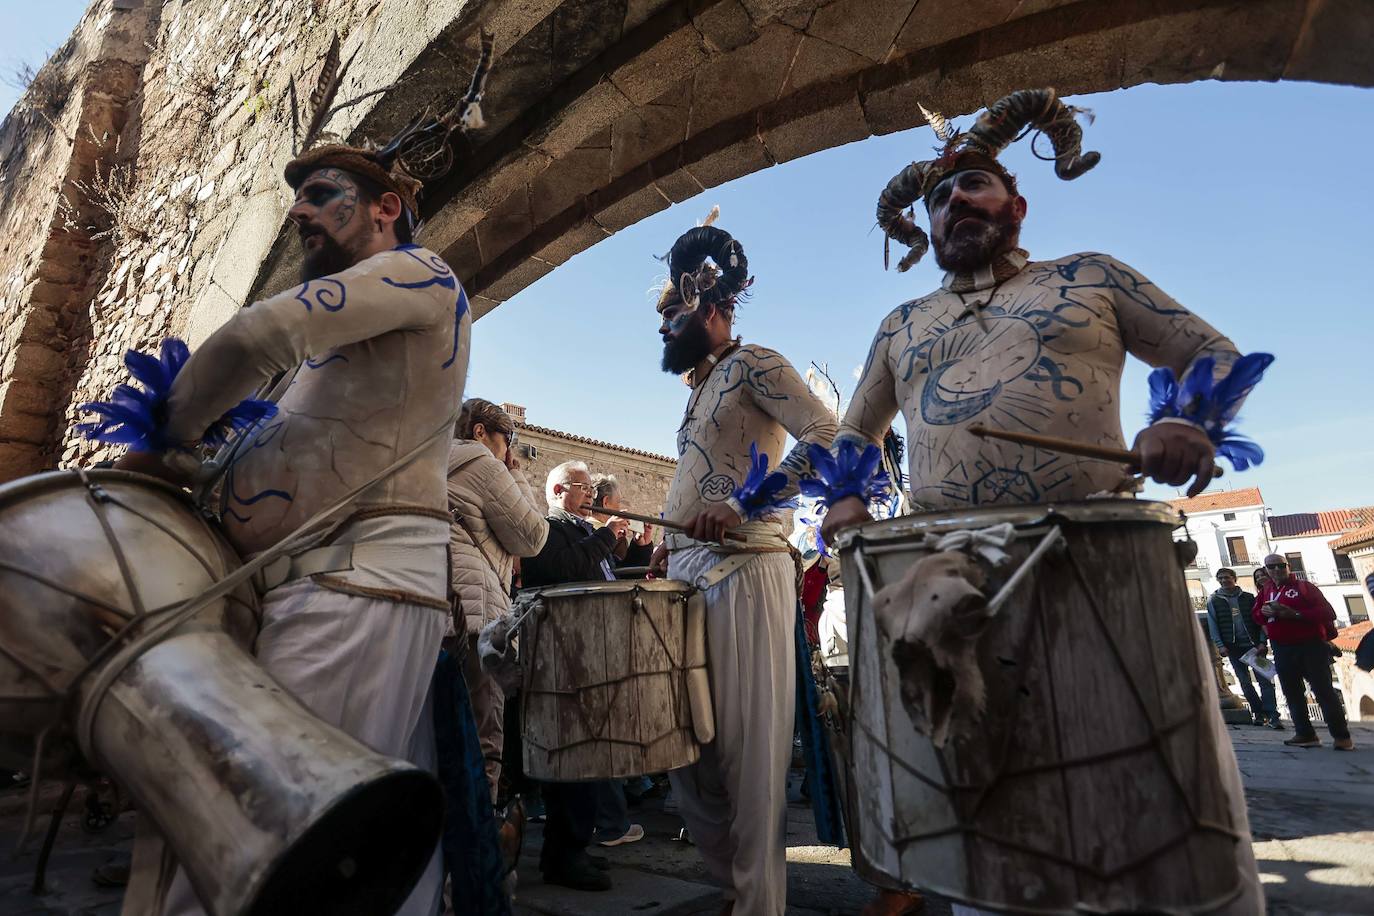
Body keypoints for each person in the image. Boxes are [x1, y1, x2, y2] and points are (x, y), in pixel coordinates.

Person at [817, 89, 1266, 915]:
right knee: (985, 836)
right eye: (940, 198)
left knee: (1132, 813)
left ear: (1017, 203)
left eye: (975, 186)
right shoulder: (901, 323)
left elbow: (1211, 349)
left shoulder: (1090, 277)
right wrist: (845, 498)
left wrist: (1180, 420)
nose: (956, 202)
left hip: (1091, 567)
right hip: (953, 586)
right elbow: (854, 432)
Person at [91, 140, 472, 914]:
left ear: (385, 208)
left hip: (353, 592)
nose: (297, 209)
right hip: (319, 592)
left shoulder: (421, 273)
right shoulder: (329, 362)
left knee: (263, 843)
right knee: (318, 857)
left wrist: (166, 441)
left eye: (319, 193)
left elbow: (250, 337)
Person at [646, 222, 837, 915]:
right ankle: (736, 894)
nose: (663, 330)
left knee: (748, 764)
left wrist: (748, 504)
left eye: (671, 316)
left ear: (711, 308)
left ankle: (760, 906)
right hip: (689, 577)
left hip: (748, 570)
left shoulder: (756, 361)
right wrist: (672, 543)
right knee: (687, 761)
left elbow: (826, 435)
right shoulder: (695, 393)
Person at [521, 460, 635, 890]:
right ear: (556, 490)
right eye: (581, 488)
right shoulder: (548, 526)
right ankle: (563, 855)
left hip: (591, 649)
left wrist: (616, 545)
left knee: (590, 754)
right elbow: (563, 571)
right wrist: (607, 534)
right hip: (565, 652)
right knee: (571, 755)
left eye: (590, 488)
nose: (589, 495)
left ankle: (575, 848)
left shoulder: (584, 529)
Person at [447, 398, 549, 802]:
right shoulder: (482, 463)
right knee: (482, 739)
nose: (510, 450)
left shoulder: (429, 461)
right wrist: (515, 476)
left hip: (426, 614)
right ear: (480, 433)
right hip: (475, 618)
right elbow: (533, 537)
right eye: (508, 440)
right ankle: (477, 852)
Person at [1254, 554, 1354, 750]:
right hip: (1281, 648)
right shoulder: (1266, 591)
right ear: (1266, 569)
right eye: (1271, 566)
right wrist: (1263, 614)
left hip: (1311, 646)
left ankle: (1341, 736)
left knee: (1323, 691)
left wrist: (1295, 614)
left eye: (1280, 566)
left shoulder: (1305, 588)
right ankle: (1305, 734)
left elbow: (1328, 613)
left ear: (1288, 567)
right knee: (1292, 692)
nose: (1276, 570)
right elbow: (1256, 615)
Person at [1207, 568, 1280, 728]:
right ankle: (1259, 713)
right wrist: (1220, 645)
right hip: (1233, 648)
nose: (1224, 580)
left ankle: (1273, 715)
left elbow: (1259, 621)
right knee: (1245, 683)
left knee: (1265, 681)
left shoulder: (1249, 598)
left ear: (1234, 578)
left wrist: (1262, 642)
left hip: (1254, 646)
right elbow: (1213, 624)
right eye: (1220, 578)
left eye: (1226, 577)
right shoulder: (1214, 600)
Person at [592, 474, 656, 568]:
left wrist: (641, 547)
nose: (620, 507)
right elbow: (621, 576)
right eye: (618, 502)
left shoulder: (579, 529)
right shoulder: (617, 538)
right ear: (605, 502)